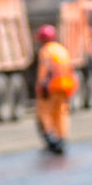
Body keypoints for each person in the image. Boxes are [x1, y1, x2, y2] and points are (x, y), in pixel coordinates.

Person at [34, 24, 76, 155]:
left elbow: (43, 70)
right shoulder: (62, 50)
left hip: (51, 87)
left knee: (45, 114)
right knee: (61, 114)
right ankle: (62, 139)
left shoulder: (46, 51)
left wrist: (39, 86)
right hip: (65, 86)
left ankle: (51, 140)